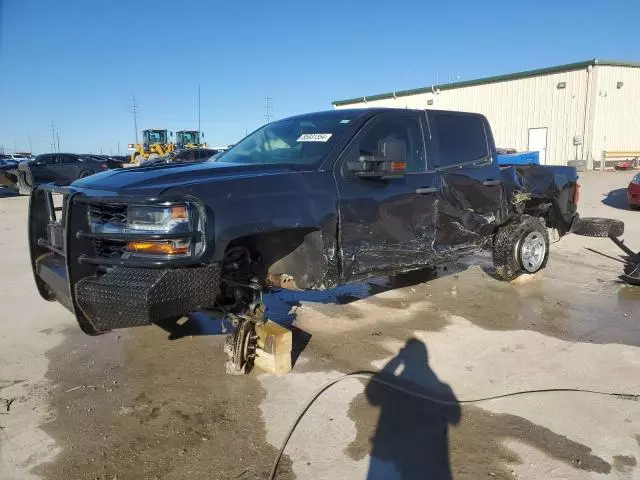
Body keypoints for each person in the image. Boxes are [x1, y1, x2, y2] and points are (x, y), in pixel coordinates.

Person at [365, 338, 460, 480]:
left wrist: (397, 359)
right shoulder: (441, 387)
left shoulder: (397, 384)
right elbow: (455, 417)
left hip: (391, 456)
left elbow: (372, 397)